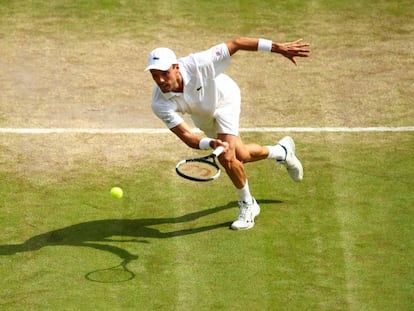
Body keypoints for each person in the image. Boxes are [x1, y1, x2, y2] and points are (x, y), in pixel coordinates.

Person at [145, 37, 310, 230]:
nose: (161, 81)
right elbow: (188, 137)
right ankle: (282, 152)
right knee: (242, 155)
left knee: (227, 158)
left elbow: (237, 43)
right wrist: (210, 143)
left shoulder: (199, 62)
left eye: (164, 73)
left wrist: (278, 48)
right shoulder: (159, 103)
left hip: (225, 100)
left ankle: (248, 204)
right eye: (155, 76)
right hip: (203, 116)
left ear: (176, 67)